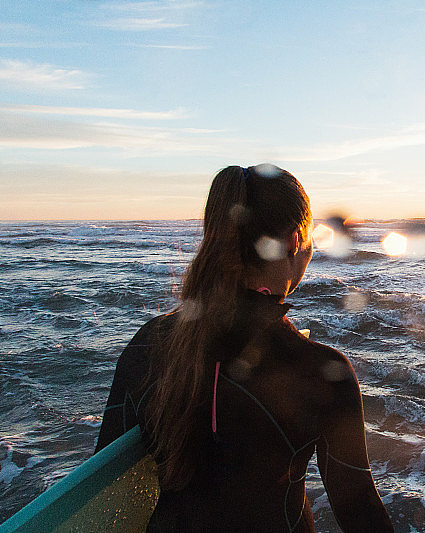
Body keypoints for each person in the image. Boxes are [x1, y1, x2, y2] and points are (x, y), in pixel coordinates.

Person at [95, 164, 394, 532]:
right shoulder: (320, 372)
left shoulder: (147, 346)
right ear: (294, 242)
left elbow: (102, 495)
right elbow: (362, 515)